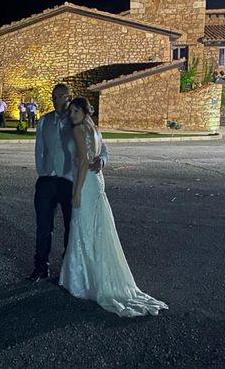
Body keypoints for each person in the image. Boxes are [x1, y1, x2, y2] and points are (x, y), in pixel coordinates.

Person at [59, 97, 169, 317]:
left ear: (84, 112)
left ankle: (83, 280)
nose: (71, 115)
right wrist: (99, 162)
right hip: (97, 182)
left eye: (75, 111)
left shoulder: (80, 130)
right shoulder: (95, 129)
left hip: (87, 183)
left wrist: (77, 191)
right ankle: (91, 275)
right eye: (70, 112)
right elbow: (97, 154)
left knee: (84, 227)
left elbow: (82, 162)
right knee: (98, 228)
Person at [29, 84, 107, 283]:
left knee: (71, 227)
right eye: (54, 96)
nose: (57, 100)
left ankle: (68, 268)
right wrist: (42, 171)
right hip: (47, 180)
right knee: (43, 227)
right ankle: (41, 267)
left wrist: (102, 160)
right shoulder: (44, 121)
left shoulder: (78, 121)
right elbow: (39, 148)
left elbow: (101, 147)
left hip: (69, 182)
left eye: (61, 96)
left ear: (69, 97)